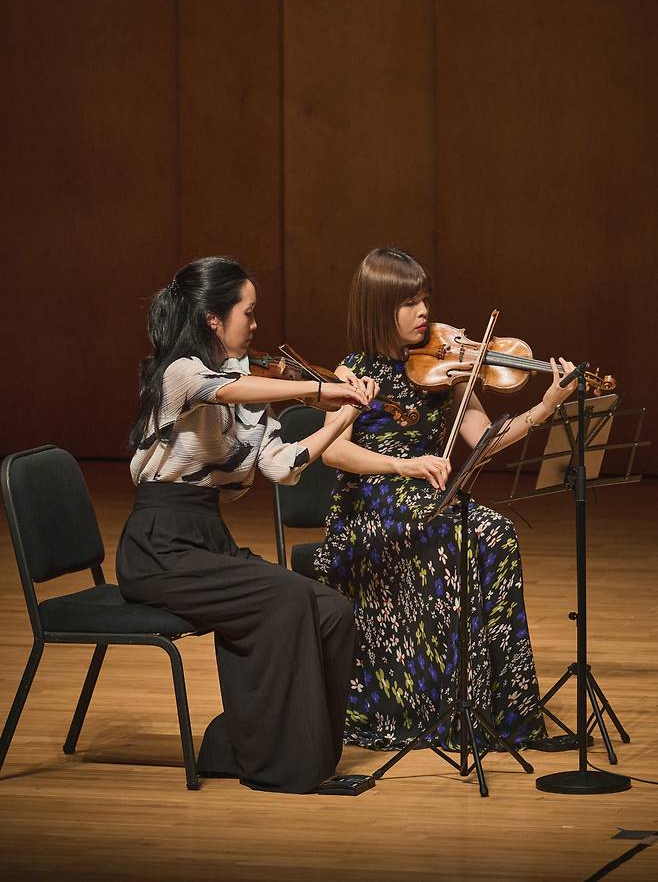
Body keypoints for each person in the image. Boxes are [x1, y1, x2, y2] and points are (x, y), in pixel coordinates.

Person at [116, 255, 375, 793]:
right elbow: (228, 391)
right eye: (249, 314)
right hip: (160, 545)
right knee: (284, 600)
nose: (256, 327)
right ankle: (285, 767)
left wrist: (341, 418)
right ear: (215, 319)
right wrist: (319, 390)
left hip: (207, 538)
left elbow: (282, 468)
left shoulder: (249, 383)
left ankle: (246, 745)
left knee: (332, 609)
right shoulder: (182, 372)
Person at [313, 247, 577, 751]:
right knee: (460, 536)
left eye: (425, 300)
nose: (424, 313)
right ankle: (438, 706)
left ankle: (494, 711)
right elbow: (334, 452)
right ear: (377, 307)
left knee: (496, 534)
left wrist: (545, 405)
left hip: (427, 499)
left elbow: (486, 438)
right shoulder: (352, 371)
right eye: (409, 303)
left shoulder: (448, 368)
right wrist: (403, 464)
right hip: (370, 508)